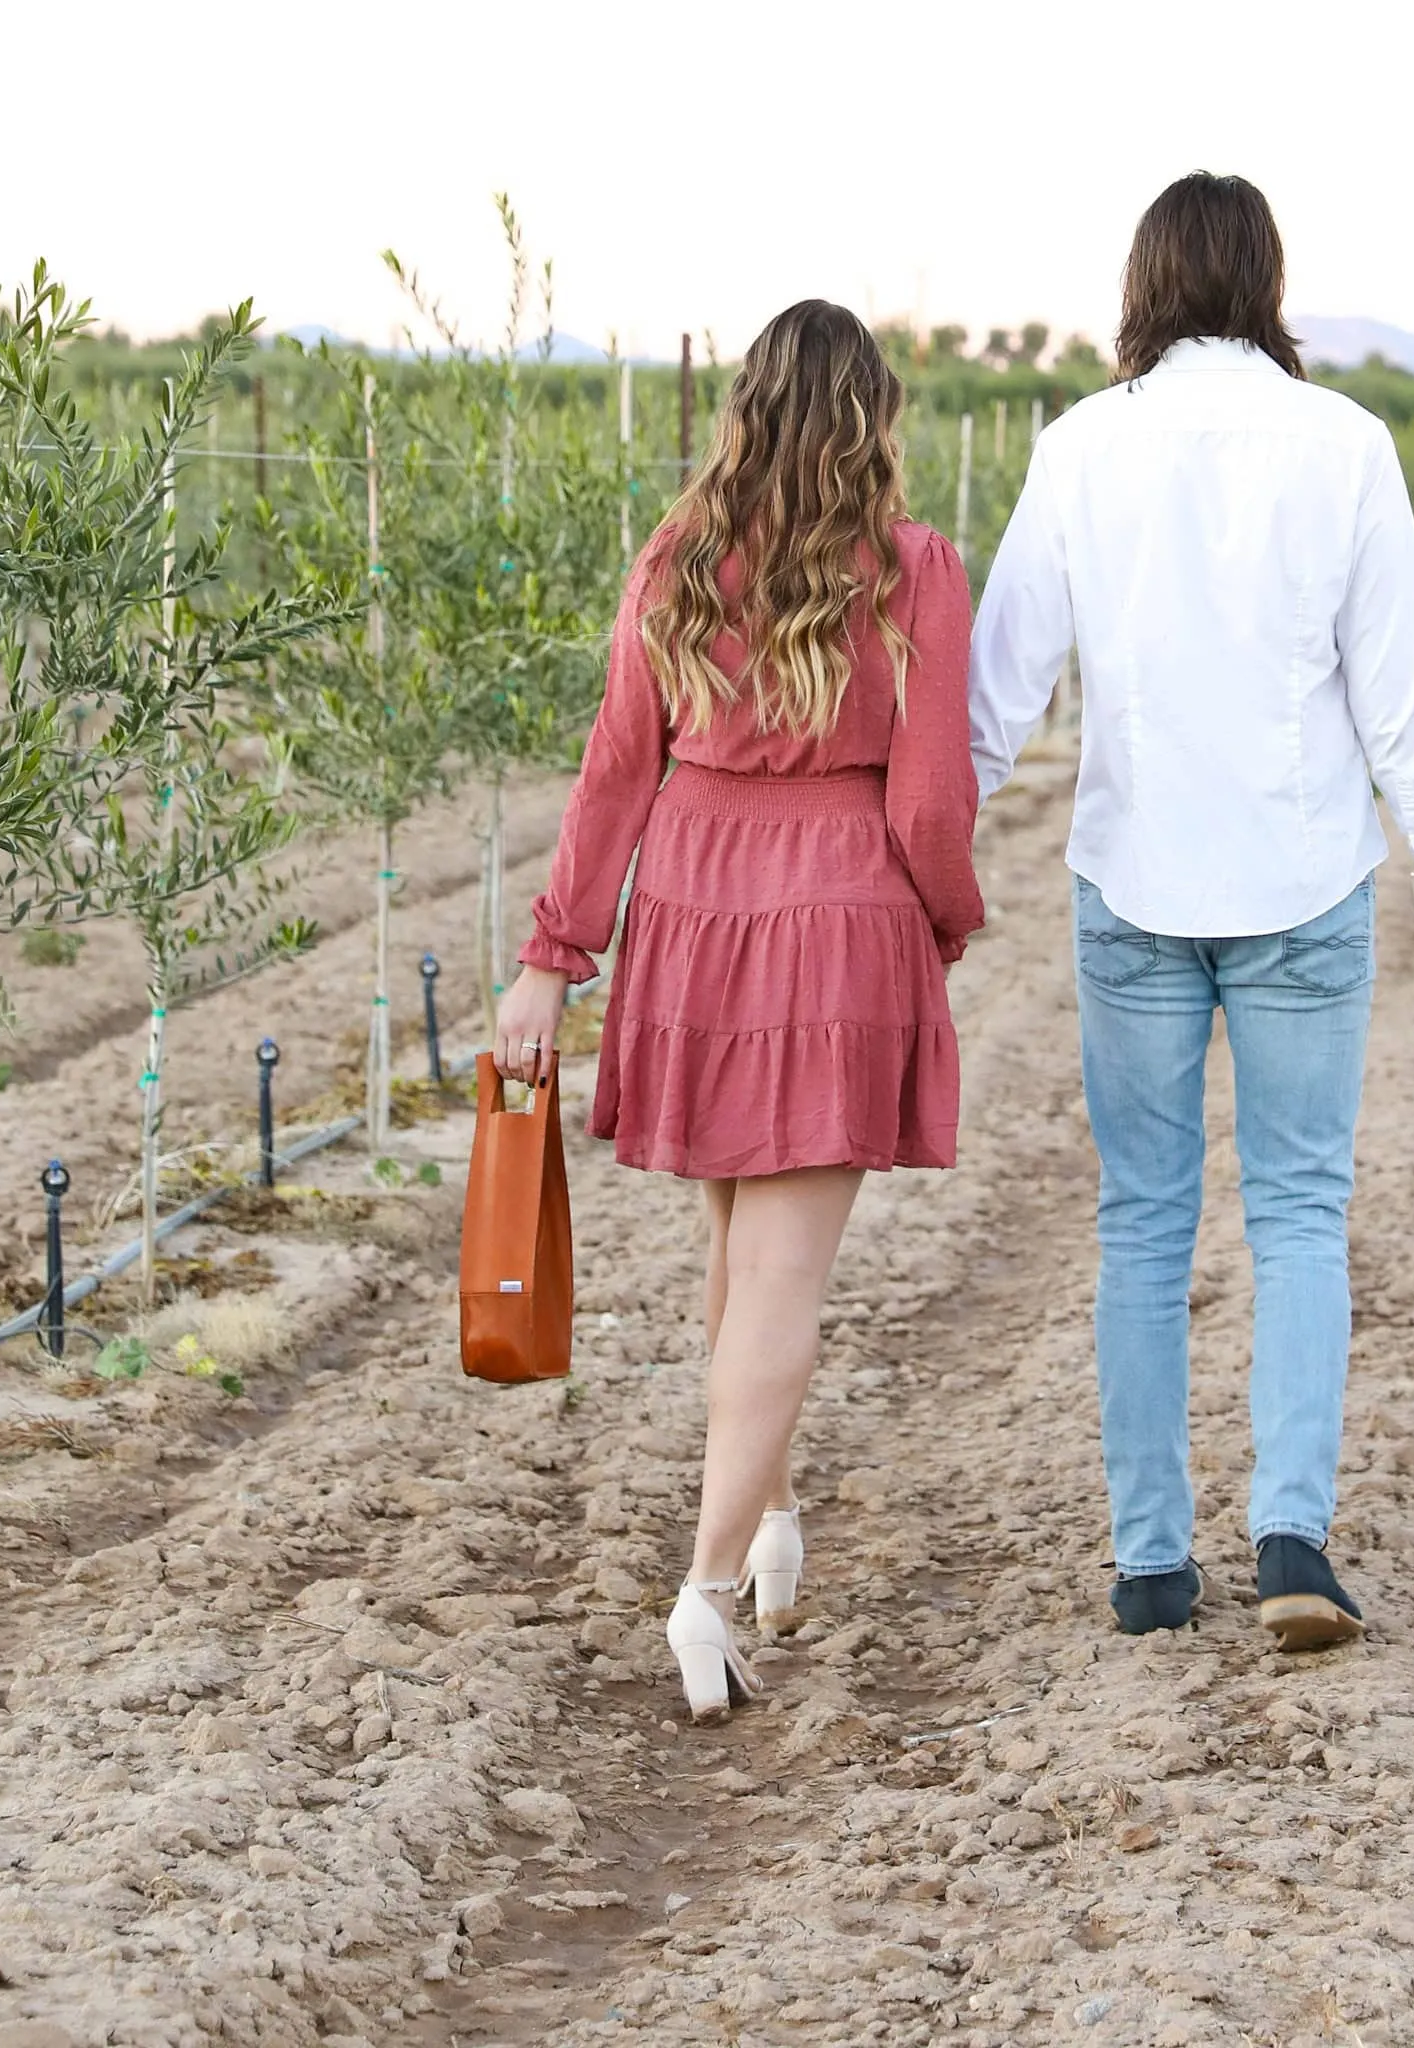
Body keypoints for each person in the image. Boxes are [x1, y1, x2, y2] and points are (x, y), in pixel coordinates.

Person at [968, 172, 1414, 1649]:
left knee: (1143, 1223)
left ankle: (1151, 1563)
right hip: (1301, 887)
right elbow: (1400, 700)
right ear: (1267, 283)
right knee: (1298, 1214)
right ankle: (1292, 1542)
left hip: (1133, 883)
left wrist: (926, 863)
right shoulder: (1346, 444)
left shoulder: (1082, 446)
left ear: (1143, 286)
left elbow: (999, 684)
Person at [496, 300, 984, 1722]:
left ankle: (770, 1526)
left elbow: (610, 773)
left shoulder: (680, 561)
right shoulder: (913, 571)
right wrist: (943, 916)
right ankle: (705, 1593)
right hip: (837, 905)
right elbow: (936, 795)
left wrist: (553, 954)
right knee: (779, 1277)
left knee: (731, 1245)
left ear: (747, 413)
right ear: (873, 418)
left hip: (696, 906)